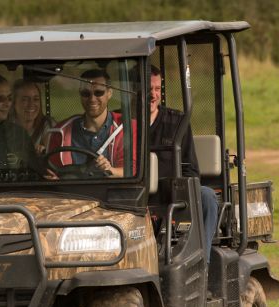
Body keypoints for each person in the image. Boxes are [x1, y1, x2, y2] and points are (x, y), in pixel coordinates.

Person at [149, 65, 218, 262]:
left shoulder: (177, 121)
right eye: (147, 90)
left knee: (206, 196)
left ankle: (200, 262)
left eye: (156, 89)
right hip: (134, 197)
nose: (153, 95)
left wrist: (174, 189)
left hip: (171, 195)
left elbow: (191, 170)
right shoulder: (122, 122)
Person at [47, 69, 136, 177]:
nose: (92, 99)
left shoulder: (127, 127)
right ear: (80, 94)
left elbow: (132, 171)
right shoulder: (60, 131)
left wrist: (109, 170)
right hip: (70, 192)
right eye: (86, 93)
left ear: (109, 93)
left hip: (110, 192)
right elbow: (52, 172)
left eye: (98, 92)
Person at [10, 79, 54, 155]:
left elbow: (53, 153)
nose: (31, 104)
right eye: (25, 100)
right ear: (13, 103)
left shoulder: (48, 125)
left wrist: (44, 151)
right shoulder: (4, 126)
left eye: (36, 99)